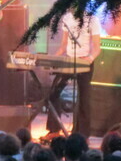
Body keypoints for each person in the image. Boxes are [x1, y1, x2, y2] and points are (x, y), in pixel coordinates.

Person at [43, 8, 101, 139]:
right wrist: (53, 59)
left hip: (85, 61)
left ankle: (82, 135)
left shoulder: (92, 19)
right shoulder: (67, 17)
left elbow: (97, 47)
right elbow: (63, 45)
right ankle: (54, 130)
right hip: (69, 59)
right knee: (54, 92)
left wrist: (89, 59)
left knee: (84, 99)